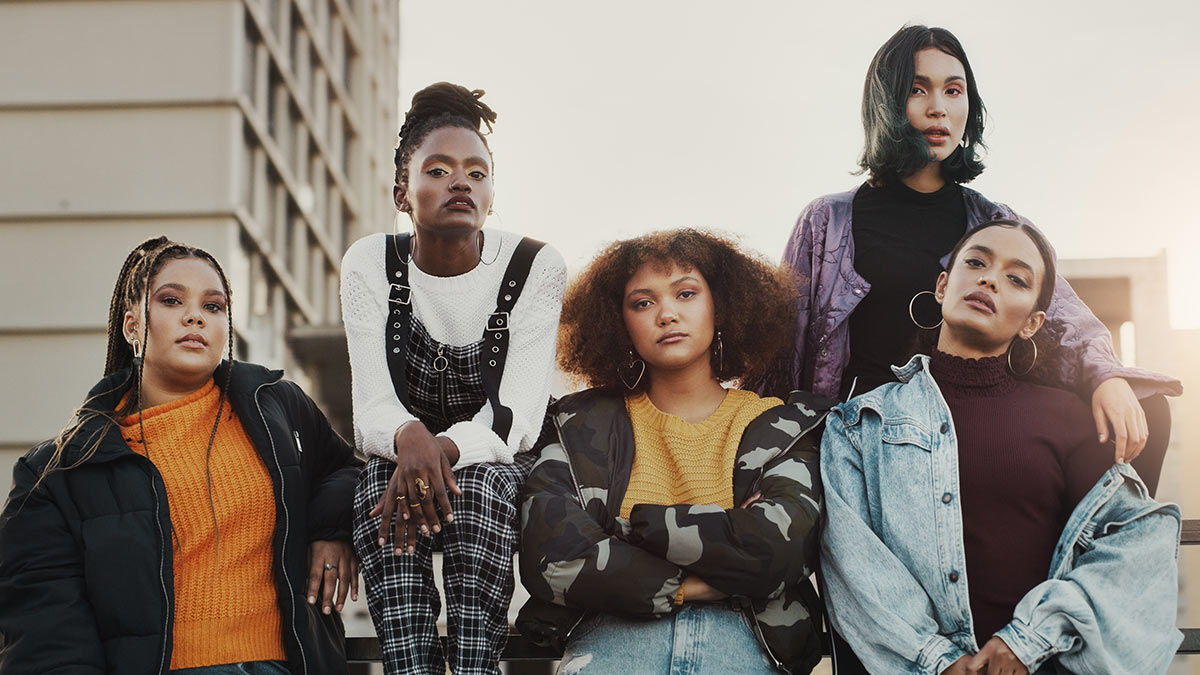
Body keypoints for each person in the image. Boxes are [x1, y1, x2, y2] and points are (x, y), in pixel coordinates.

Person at [760, 24, 1180, 495]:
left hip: (968, 423)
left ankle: (1104, 558)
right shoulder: (826, 221)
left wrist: (1107, 378)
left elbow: (1067, 321)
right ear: (886, 103)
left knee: (1147, 406)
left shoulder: (996, 222)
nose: (938, 107)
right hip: (866, 438)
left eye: (953, 90)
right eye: (918, 90)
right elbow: (779, 355)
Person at [819, 220, 1182, 675]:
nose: (989, 279)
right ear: (943, 285)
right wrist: (939, 661)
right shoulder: (859, 423)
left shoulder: (1070, 417)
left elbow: (1137, 541)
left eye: (1016, 278)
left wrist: (1027, 642)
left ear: (1033, 322)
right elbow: (854, 565)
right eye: (976, 262)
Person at [0, 237, 362, 674]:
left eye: (214, 306)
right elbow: (46, 627)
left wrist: (332, 529)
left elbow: (346, 468)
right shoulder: (59, 471)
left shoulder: (276, 405)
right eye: (172, 300)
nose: (196, 316)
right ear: (132, 327)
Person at [517, 229, 836, 675]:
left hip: (745, 638)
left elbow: (778, 551)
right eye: (642, 302)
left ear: (720, 306)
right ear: (619, 323)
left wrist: (621, 532)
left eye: (685, 293)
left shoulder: (782, 424)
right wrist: (706, 572)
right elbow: (551, 553)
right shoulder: (579, 421)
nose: (666, 313)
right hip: (612, 637)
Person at [341, 82, 566, 674]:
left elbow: (515, 417)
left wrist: (434, 448)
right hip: (398, 458)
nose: (460, 182)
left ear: (492, 193)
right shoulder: (369, 262)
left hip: (495, 459)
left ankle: (474, 666)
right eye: (438, 170)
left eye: (476, 172)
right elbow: (371, 410)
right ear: (402, 192)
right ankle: (410, 666)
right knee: (373, 491)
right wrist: (410, 442)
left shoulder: (533, 266)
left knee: (480, 494)